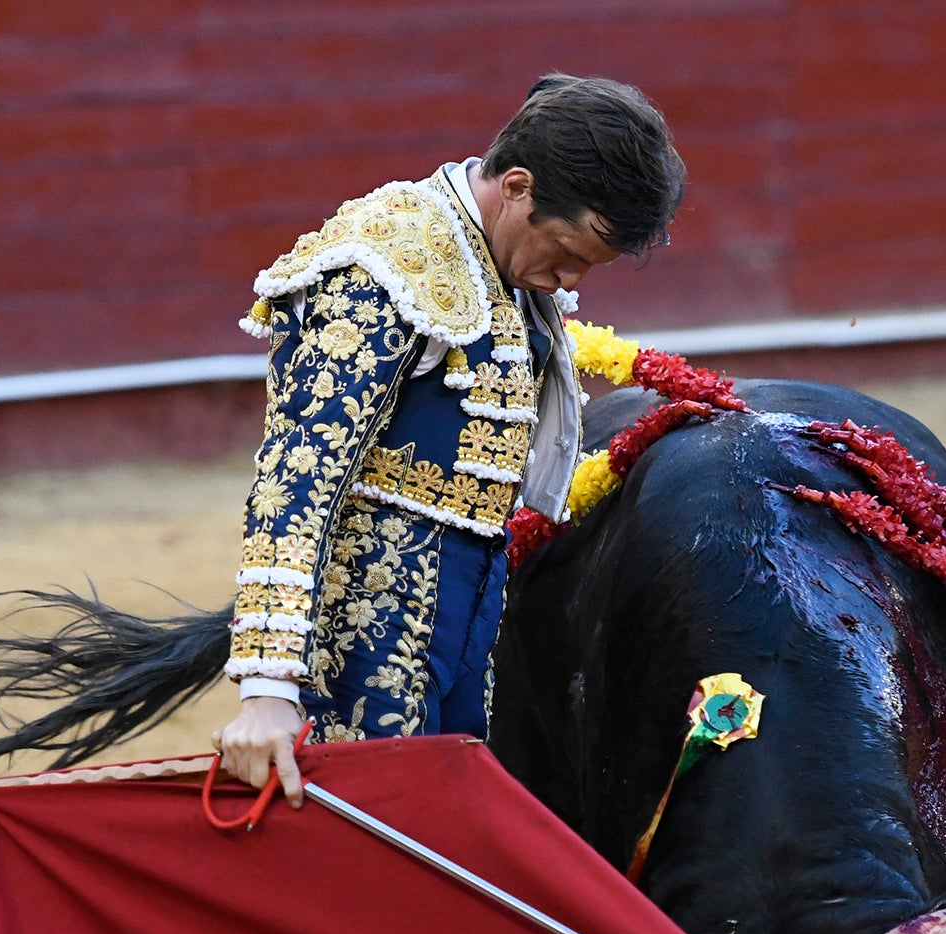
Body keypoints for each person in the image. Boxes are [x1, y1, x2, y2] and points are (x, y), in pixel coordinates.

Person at [213, 74, 684, 803]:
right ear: (518, 188)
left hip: (474, 611)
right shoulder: (387, 259)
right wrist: (268, 688)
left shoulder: (502, 264)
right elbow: (297, 477)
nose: (569, 279)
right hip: (367, 626)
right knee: (380, 829)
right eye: (567, 250)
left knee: (451, 820)